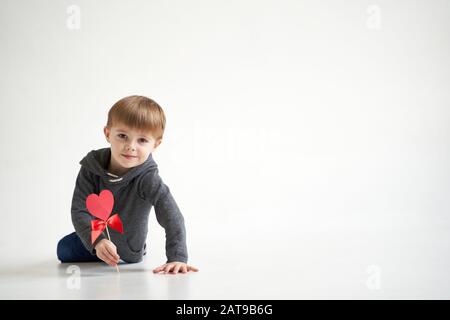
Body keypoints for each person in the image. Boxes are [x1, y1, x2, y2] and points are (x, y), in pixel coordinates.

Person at [57, 95, 198, 274]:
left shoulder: (148, 179)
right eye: (123, 136)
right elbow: (79, 209)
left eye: (142, 140)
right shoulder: (91, 167)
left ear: (156, 144)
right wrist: (98, 241)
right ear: (108, 134)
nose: (131, 146)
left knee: (127, 253)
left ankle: (140, 248)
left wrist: (177, 257)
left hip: (127, 249)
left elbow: (172, 217)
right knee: (63, 249)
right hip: (95, 239)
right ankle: (100, 247)